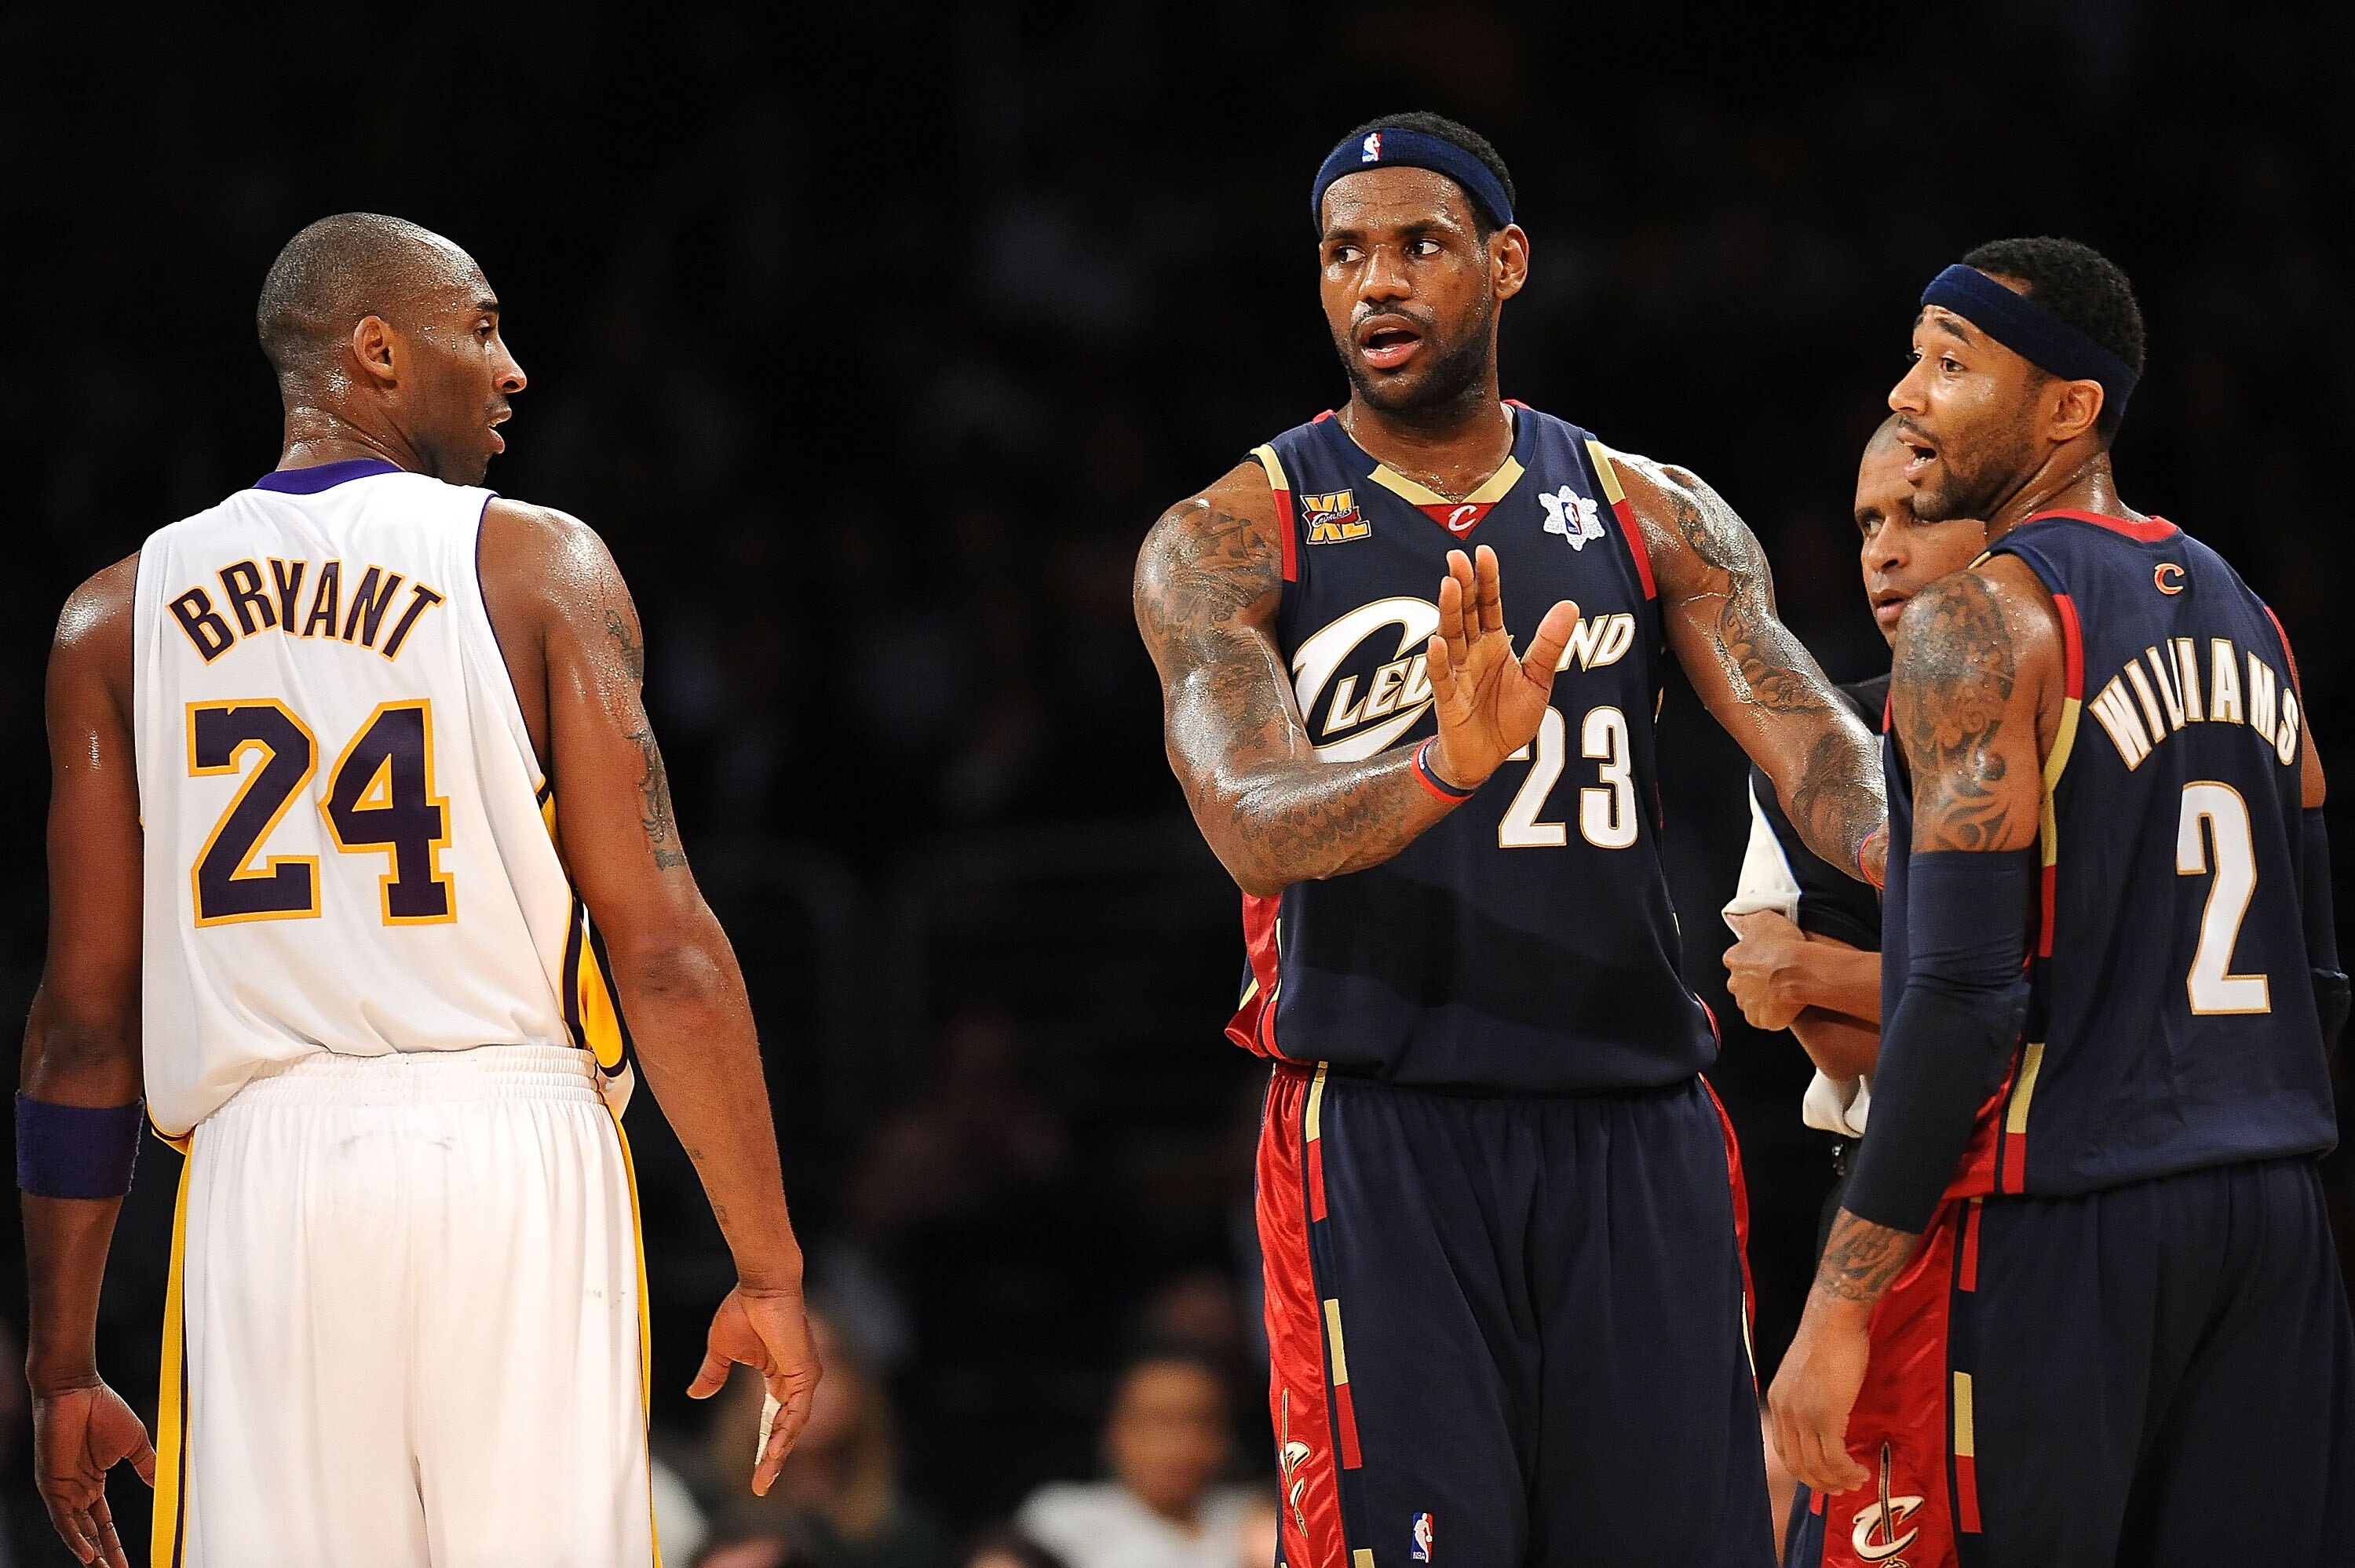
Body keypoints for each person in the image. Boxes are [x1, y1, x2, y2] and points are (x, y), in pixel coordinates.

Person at [1133, 112, 1885, 1566]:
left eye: (1419, 244)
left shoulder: (1650, 508)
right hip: (1387, 1121)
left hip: (1635, 1118)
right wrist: (1446, 763)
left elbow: (1818, 750)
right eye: (1345, 253)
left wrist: (1947, 854)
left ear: (1508, 260)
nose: (1378, 285)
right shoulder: (1232, 529)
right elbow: (1245, 821)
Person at [19, 213, 820, 1568]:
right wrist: (769, 1266)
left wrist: (59, 1359)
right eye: (485, 326)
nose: (511, 369)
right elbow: (667, 950)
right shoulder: (534, 564)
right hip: (513, 1146)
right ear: (377, 349)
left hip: (264, 1178)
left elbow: (82, 1026)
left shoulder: (113, 616)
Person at [1771, 238, 2355, 1566]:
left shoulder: (1981, 620)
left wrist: (1841, 1300)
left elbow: (1969, 996)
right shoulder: (2251, 615)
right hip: (2269, 1214)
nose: (1909, 393)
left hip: (2067, 1217)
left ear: (2069, 409)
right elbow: (2318, 978)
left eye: (1949, 362)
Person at [1722, 419, 1988, 1240]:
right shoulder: (1822, 740)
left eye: (1920, 515)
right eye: (1869, 524)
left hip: (2080, 1181)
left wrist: (1811, 971)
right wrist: (2037, 998)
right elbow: (1844, 1046)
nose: (1884, 552)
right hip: (1903, 1199)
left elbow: (1800, 986)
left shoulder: (2086, 718)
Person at [1014, 1351, 1259, 1568]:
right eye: (1157, 1422)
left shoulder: (1254, 1518)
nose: (1181, 1444)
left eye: (1201, 1422)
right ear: (1113, 1431)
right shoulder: (1061, 1519)